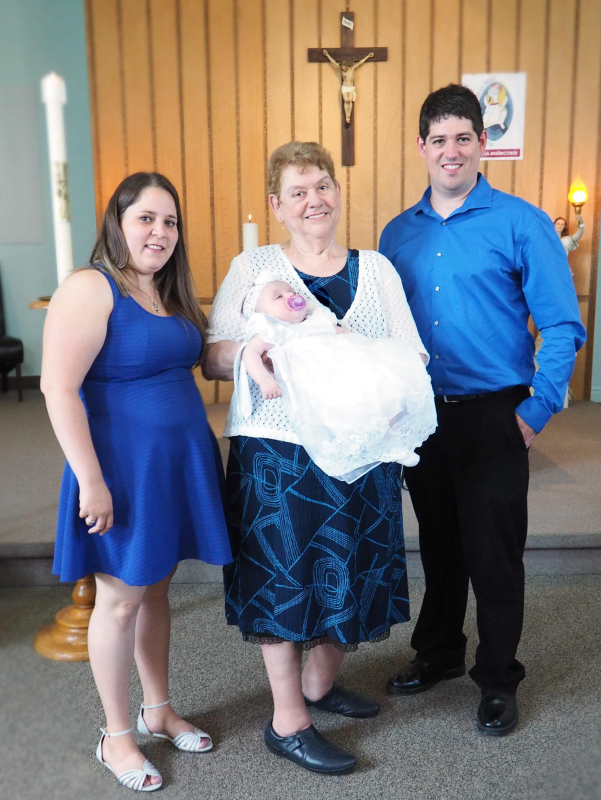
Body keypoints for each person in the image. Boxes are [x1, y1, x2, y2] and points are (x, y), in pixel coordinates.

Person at [203, 141, 429, 774]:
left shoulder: (376, 269)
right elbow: (213, 356)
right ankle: (288, 719)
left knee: (350, 565)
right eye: (297, 192)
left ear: (339, 192)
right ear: (277, 206)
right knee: (284, 575)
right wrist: (253, 349)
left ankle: (319, 683)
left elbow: (412, 352)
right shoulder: (253, 267)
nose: (313, 201)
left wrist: (367, 366)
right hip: (277, 450)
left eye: (322, 186)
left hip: (360, 448)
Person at [379, 84, 586, 737]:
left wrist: (537, 409)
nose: (451, 150)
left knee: (494, 554)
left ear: (483, 144)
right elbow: (386, 330)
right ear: (421, 146)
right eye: (439, 139)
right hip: (423, 416)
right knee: (439, 546)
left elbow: (563, 324)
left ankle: (498, 677)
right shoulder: (397, 234)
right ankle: (439, 652)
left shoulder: (522, 222)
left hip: (498, 413)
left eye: (463, 138)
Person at [42, 172, 232, 792]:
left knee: (154, 593)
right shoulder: (90, 286)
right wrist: (91, 480)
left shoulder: (168, 290)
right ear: (117, 223)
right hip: (122, 470)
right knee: (120, 600)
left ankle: (158, 710)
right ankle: (117, 736)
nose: (160, 232)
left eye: (169, 221)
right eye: (145, 218)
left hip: (174, 466)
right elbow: (57, 388)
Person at [237, 274, 436, 480]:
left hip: (347, 368)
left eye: (292, 292)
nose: (291, 296)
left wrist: (365, 348)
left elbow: (342, 333)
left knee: (381, 392)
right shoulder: (272, 329)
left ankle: (395, 442)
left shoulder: (316, 319)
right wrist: (264, 380)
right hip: (319, 381)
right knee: (343, 411)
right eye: (279, 297)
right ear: (261, 313)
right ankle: (380, 448)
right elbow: (250, 354)